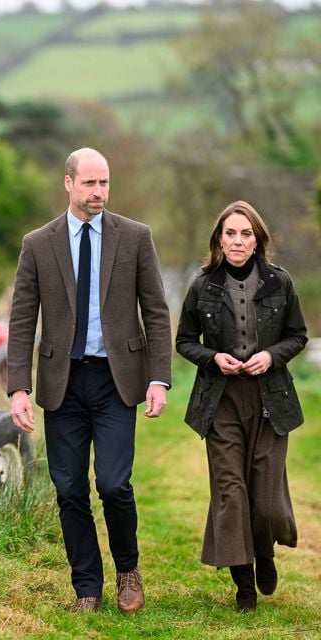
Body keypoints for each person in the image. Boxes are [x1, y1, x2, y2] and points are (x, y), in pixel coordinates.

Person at [7, 147, 172, 614]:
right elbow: (22, 319)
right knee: (69, 488)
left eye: (104, 183)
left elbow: (156, 313)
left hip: (117, 380)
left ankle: (128, 571)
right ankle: (87, 587)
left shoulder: (135, 237)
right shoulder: (37, 244)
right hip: (62, 383)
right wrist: (19, 387)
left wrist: (158, 377)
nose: (98, 192)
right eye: (89, 183)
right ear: (68, 184)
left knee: (114, 483)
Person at [175, 200, 307, 612]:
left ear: (257, 240)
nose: (237, 240)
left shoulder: (280, 284)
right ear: (219, 239)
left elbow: (297, 335)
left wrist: (272, 356)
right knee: (231, 493)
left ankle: (265, 554)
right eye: (230, 233)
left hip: (272, 401)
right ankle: (244, 586)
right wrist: (213, 358)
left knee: (264, 499)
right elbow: (184, 342)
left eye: (245, 233)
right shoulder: (202, 286)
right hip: (220, 401)